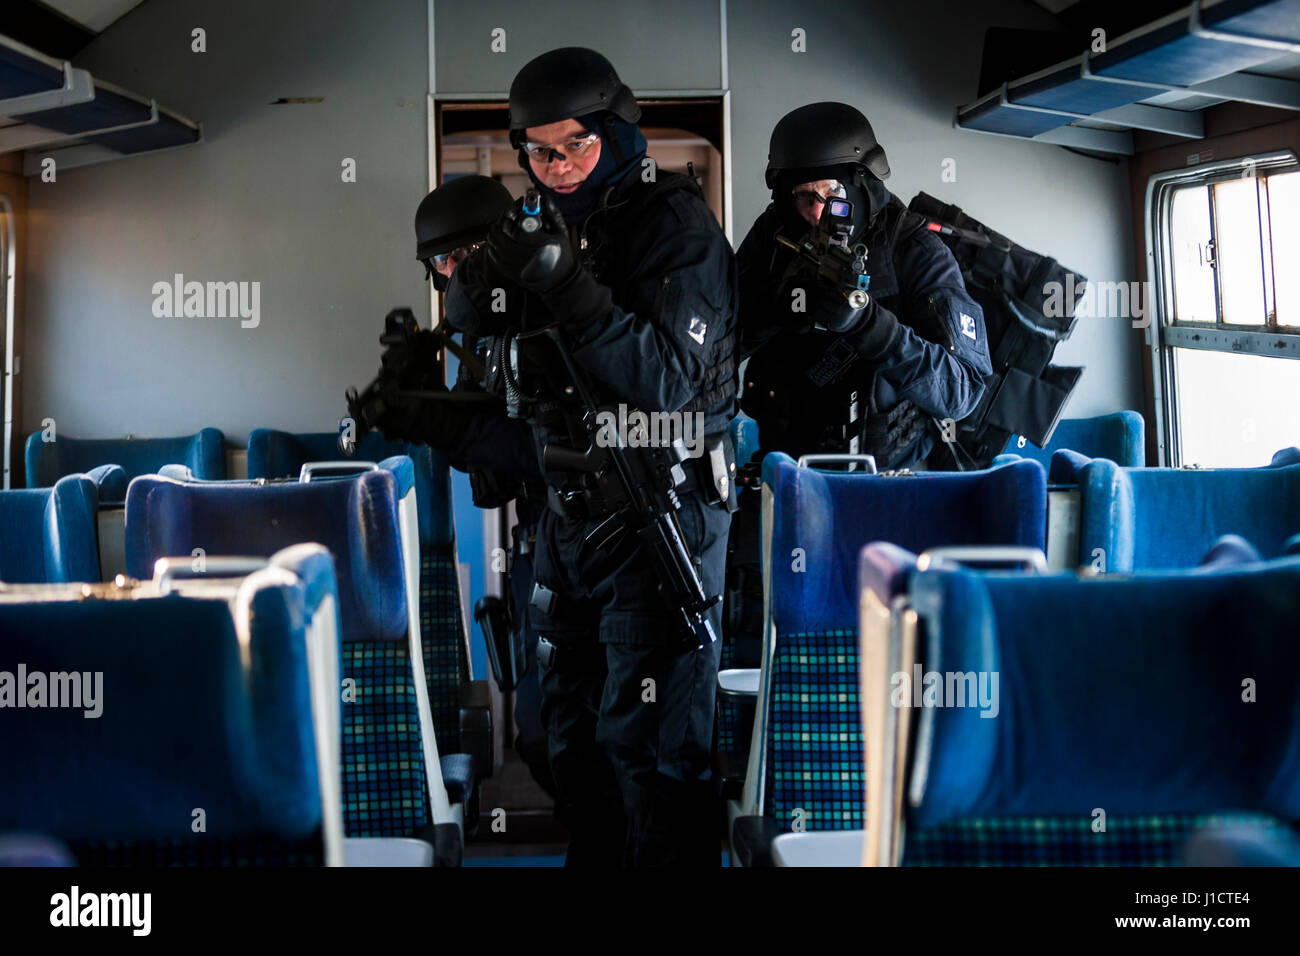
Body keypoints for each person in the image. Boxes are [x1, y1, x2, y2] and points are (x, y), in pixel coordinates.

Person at [442, 47, 739, 867]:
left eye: (576, 146)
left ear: (616, 133)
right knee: (564, 740)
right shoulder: (543, 211)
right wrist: (499, 259)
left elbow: (669, 378)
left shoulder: (674, 227)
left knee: (650, 751)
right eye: (537, 152)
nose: (558, 167)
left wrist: (570, 287)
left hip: (661, 512)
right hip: (568, 515)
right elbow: (468, 307)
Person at [378, 173, 557, 799]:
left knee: (591, 740)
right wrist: (420, 404)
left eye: (463, 257)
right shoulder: (481, 334)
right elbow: (472, 444)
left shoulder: (558, 316)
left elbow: (560, 449)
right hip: (540, 540)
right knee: (539, 737)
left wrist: (449, 425)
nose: (451, 273)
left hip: (601, 540)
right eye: (440, 262)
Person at [738, 101, 992, 469]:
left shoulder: (915, 250)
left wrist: (869, 326)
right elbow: (713, 348)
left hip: (885, 480)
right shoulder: (773, 237)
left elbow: (962, 391)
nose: (817, 212)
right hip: (784, 470)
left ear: (863, 184)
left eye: (832, 193)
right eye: (804, 196)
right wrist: (778, 308)